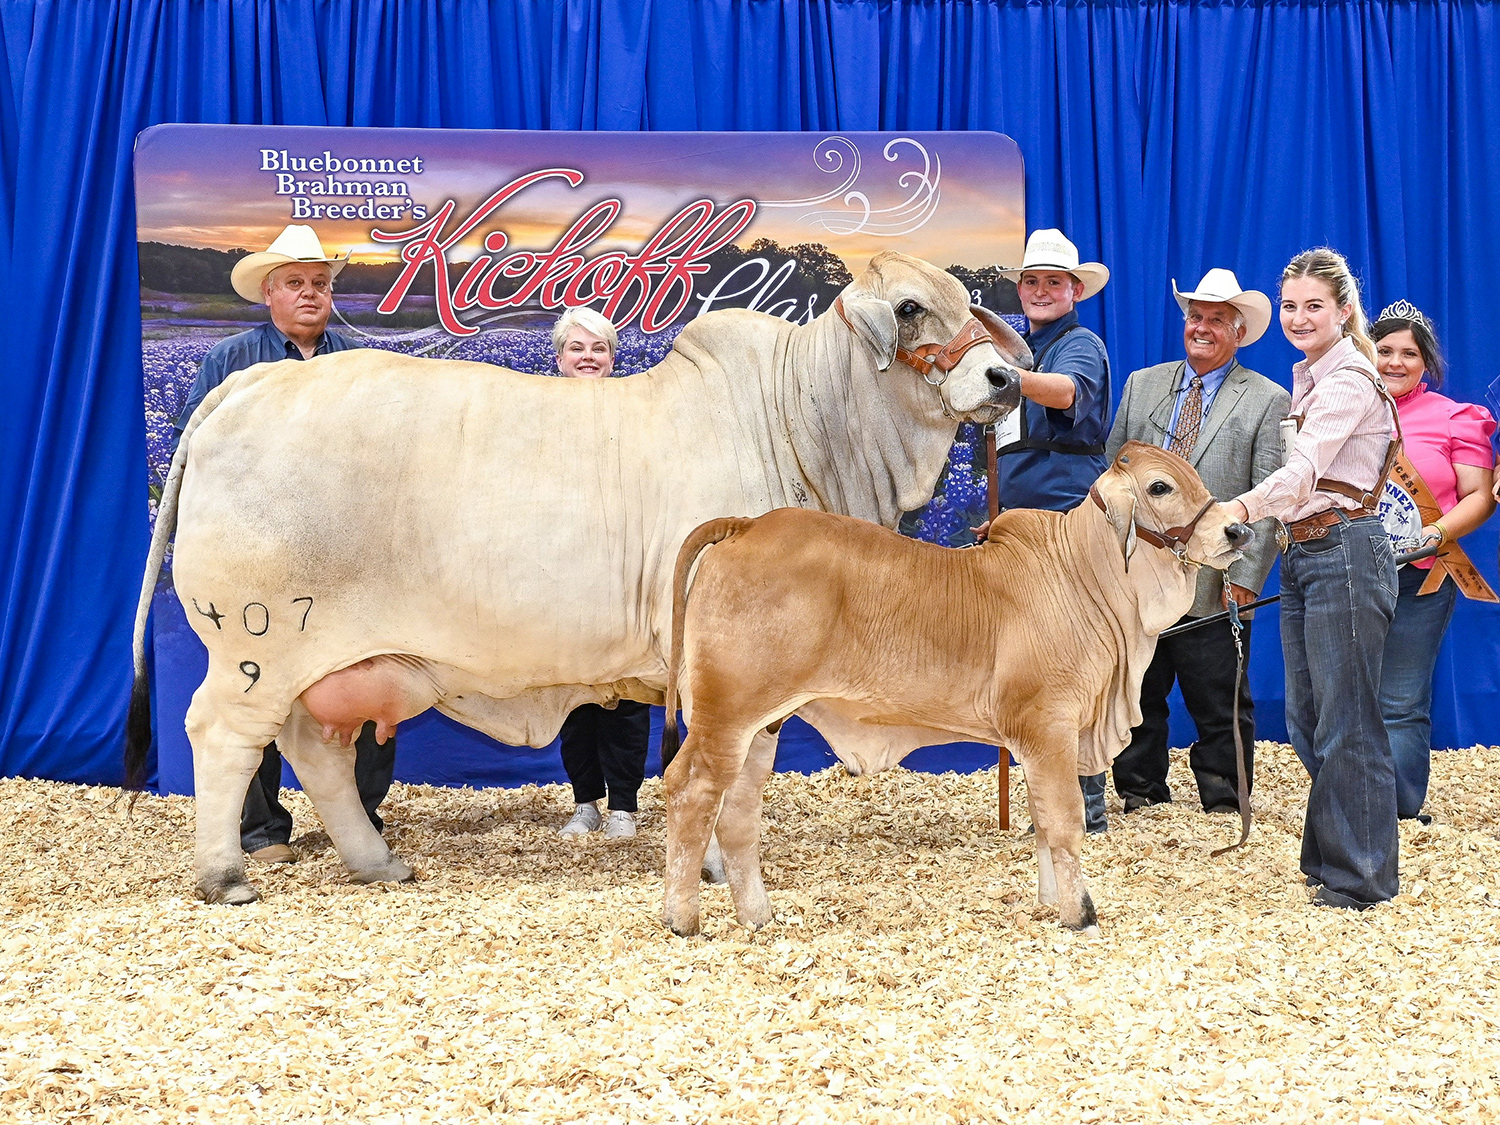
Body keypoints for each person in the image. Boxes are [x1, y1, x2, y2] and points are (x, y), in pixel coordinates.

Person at [172, 224, 396, 865]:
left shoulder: (361, 360)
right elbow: (202, 456)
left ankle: (360, 818)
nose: (309, 295)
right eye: (294, 284)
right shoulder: (232, 360)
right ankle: (261, 829)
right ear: (268, 294)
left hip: (348, 548)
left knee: (371, 675)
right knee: (254, 681)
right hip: (262, 548)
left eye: (319, 284)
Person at [1223, 248, 1400, 910]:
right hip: (1306, 551)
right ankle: (1333, 855)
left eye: (1313, 306)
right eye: (1291, 306)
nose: (1299, 317)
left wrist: (1236, 509)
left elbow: (1302, 476)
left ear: (1344, 310)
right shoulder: (1311, 377)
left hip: (1345, 549)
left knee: (1347, 719)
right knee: (1306, 717)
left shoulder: (1351, 378)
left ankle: (1361, 877)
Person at [1107, 270, 1291, 814]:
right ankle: (1139, 790)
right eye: (1195, 317)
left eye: (1216, 320)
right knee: (1139, 689)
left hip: (1216, 576)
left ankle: (1225, 796)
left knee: (1220, 696)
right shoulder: (1143, 384)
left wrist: (1245, 577)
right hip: (1139, 572)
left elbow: (1270, 497)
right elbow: (1112, 471)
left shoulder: (1266, 399)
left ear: (1239, 332)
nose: (1202, 328)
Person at [995, 228, 1114, 832]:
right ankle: (1052, 785)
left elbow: (1067, 395)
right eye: (1032, 280)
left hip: (1064, 516)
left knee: (1069, 658)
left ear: (1075, 291)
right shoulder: (1024, 348)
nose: (1042, 291)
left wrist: (997, 376)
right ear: (1020, 288)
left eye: (1054, 282)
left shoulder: (1077, 344)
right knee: (1033, 659)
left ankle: (1086, 794)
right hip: (1017, 521)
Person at [1370, 301, 1496, 822]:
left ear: (1427, 364)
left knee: (1399, 699)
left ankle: (1396, 812)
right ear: (1365, 351)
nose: (1395, 362)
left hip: (1420, 576)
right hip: (1347, 572)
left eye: (1409, 354)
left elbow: (1480, 495)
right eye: (1384, 350)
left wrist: (1435, 533)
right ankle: (1352, 799)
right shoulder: (1340, 407)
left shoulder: (1454, 417)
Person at [550, 307, 653, 839]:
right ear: (560, 356)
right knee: (576, 694)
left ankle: (625, 807)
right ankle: (585, 802)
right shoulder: (538, 411)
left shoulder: (638, 410)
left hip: (622, 565)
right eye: (577, 348)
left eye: (599, 349)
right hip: (564, 567)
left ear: (614, 357)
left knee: (628, 692)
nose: (588, 357)